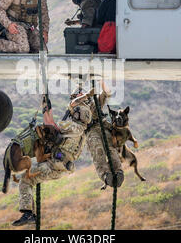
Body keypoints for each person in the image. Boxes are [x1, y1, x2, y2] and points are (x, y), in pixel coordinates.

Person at [12, 90, 94, 226]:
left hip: (52, 165)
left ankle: (28, 214)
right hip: (61, 167)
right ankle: (29, 213)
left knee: (25, 180)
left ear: (77, 114)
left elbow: (49, 123)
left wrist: (46, 105)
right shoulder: (82, 134)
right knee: (31, 179)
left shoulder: (70, 126)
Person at [86, 80, 124, 188]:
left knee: (111, 151)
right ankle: (106, 176)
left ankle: (118, 173)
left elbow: (107, 92)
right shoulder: (75, 108)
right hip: (91, 132)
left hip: (104, 127)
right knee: (99, 153)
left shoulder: (94, 104)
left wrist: (101, 81)